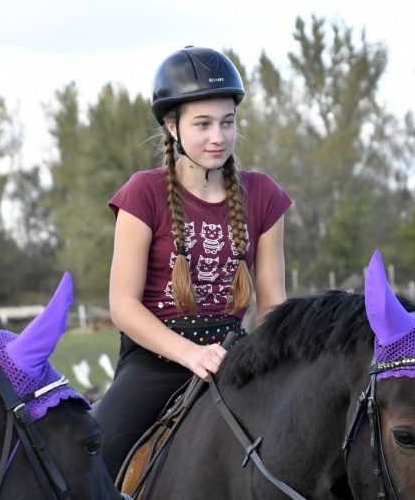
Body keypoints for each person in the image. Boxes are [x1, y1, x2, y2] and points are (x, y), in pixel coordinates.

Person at [93, 46, 293, 480]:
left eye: (227, 122)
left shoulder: (263, 196)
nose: (217, 137)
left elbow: (273, 305)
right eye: (202, 124)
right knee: (92, 453)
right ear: (172, 126)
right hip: (154, 361)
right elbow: (123, 306)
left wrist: (275, 363)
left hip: (233, 357)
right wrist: (191, 354)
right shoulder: (142, 193)